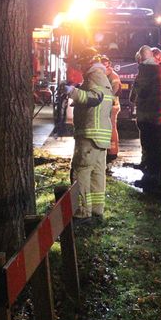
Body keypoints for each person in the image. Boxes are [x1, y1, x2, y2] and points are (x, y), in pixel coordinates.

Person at [63, 47, 113, 219]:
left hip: (89, 135)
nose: (81, 67)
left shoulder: (94, 76)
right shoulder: (103, 77)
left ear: (88, 62)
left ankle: (82, 212)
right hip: (100, 136)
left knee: (80, 171)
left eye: (82, 63)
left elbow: (94, 97)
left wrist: (72, 92)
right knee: (97, 173)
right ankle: (97, 209)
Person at [130, 45, 161, 185]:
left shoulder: (146, 71)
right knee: (155, 146)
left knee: (149, 146)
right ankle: (154, 177)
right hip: (157, 115)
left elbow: (138, 94)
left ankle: (150, 179)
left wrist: (137, 91)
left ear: (142, 57)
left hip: (146, 115)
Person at [102, 57, 122, 162]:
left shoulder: (112, 75)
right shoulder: (107, 74)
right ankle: (110, 151)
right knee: (110, 127)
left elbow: (116, 89)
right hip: (110, 104)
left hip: (112, 105)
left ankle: (112, 152)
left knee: (111, 127)